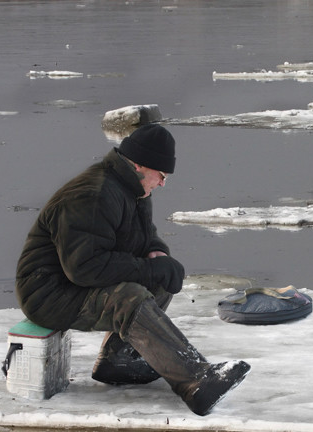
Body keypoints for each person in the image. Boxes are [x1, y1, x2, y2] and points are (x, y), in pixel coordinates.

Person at [14, 124, 250, 416]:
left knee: (160, 277)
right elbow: (84, 267)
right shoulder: (93, 195)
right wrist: (148, 268)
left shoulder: (132, 189)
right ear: (139, 164)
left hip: (73, 282)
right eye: (161, 175)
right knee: (130, 296)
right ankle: (196, 381)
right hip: (48, 292)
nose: (163, 183)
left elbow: (143, 236)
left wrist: (158, 254)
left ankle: (120, 361)